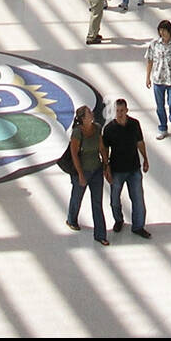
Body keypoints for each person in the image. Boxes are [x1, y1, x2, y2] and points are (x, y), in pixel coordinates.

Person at [103, 99, 151, 238]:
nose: (119, 114)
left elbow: (140, 142)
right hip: (117, 170)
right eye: (117, 111)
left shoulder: (134, 124)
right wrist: (106, 167)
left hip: (134, 168)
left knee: (137, 199)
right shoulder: (109, 129)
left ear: (127, 110)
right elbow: (105, 149)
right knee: (114, 199)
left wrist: (145, 159)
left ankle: (138, 226)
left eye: (122, 111)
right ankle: (118, 220)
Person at [65, 105, 110, 245]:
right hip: (82, 171)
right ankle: (72, 219)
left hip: (96, 170)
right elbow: (74, 154)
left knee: (97, 202)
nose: (92, 114)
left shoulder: (97, 128)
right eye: (89, 113)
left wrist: (106, 165)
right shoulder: (77, 133)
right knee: (77, 197)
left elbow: (102, 147)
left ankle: (100, 234)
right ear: (83, 118)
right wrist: (80, 174)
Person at [145, 20, 171, 139]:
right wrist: (147, 77)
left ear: (170, 31)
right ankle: (163, 127)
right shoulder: (154, 44)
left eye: (164, 30)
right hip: (158, 79)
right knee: (160, 105)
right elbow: (150, 61)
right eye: (160, 30)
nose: (162, 33)